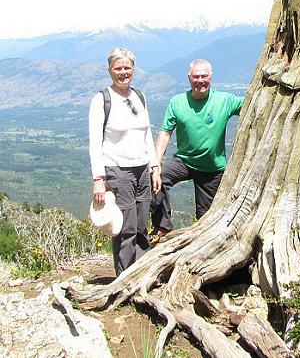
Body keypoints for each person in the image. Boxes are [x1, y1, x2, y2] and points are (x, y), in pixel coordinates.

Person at [149, 59, 244, 243]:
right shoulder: (177, 102)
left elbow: (253, 102)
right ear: (189, 78)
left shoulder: (224, 100)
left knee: (205, 218)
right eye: (196, 76)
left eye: (204, 76)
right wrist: (156, 165)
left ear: (211, 77)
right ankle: (162, 226)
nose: (200, 80)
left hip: (212, 168)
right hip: (184, 161)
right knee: (158, 178)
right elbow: (165, 133)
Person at [89, 47, 161, 275]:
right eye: (118, 68)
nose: (123, 72)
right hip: (118, 170)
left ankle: (140, 273)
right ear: (110, 70)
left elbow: (146, 134)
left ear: (134, 69)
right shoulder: (102, 100)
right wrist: (98, 179)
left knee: (141, 224)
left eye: (127, 68)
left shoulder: (139, 96)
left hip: (142, 168)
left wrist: (155, 166)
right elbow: (94, 142)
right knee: (125, 226)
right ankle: (124, 277)